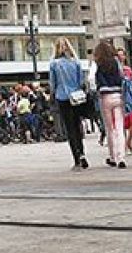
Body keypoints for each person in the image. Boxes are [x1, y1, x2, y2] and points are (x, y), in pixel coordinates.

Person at [50, 38, 89, 169]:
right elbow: (81, 82)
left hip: (62, 97)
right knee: (77, 126)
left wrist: (52, 95)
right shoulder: (76, 62)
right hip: (76, 97)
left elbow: (53, 83)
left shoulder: (54, 64)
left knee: (69, 128)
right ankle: (82, 153)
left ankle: (76, 157)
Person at [93, 41, 127, 169]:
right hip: (117, 94)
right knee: (119, 127)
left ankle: (113, 156)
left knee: (110, 128)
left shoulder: (98, 63)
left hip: (105, 95)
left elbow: (92, 79)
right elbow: (122, 76)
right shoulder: (115, 61)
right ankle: (121, 157)